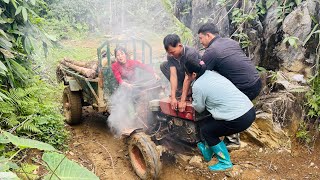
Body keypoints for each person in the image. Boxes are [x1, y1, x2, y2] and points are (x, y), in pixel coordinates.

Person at [180, 23, 262, 149]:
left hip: (244, 85)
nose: (200, 42)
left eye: (201, 38)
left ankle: (231, 140)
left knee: (221, 105)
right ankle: (231, 132)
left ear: (208, 35)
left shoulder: (212, 51)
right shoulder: (230, 42)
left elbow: (200, 75)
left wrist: (189, 95)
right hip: (256, 80)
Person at [184, 59, 256, 171]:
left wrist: (192, 100)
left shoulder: (198, 85)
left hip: (239, 118)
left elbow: (199, 108)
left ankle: (225, 162)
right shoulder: (212, 73)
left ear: (193, 74)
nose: (187, 78)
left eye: (187, 75)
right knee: (207, 125)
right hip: (249, 110)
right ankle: (207, 153)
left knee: (208, 131)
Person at [160, 34, 200, 110]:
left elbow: (188, 77)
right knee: (163, 65)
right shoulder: (170, 56)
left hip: (193, 77)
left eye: (172, 52)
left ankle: (189, 91)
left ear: (180, 46)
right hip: (182, 75)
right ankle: (181, 90)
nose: (170, 55)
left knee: (192, 78)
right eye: (169, 53)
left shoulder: (190, 53)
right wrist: (173, 97)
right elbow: (173, 75)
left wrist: (182, 100)